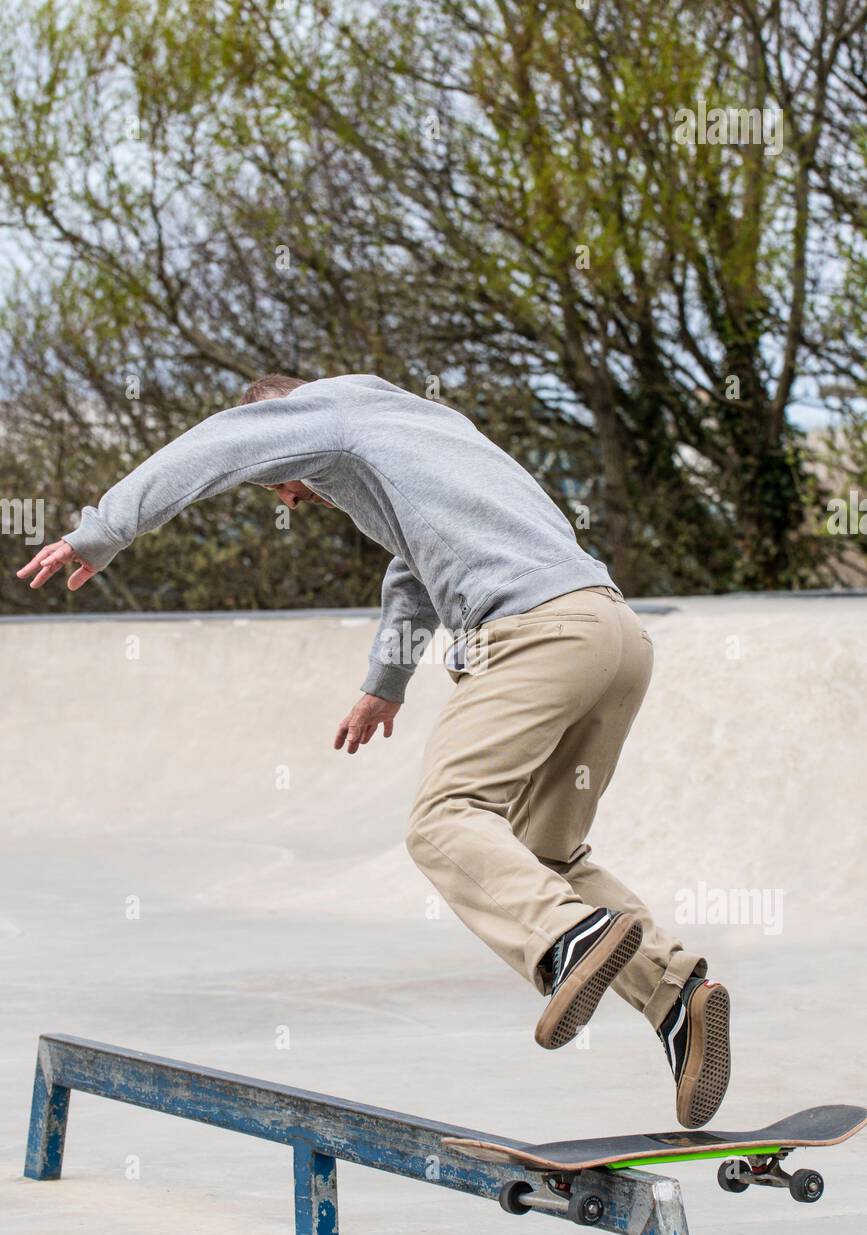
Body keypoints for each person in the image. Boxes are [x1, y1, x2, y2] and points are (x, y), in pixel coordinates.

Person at [17, 372, 730, 1126]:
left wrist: (99, 531)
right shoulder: (427, 430)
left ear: (285, 424)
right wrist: (387, 680)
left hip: (531, 636)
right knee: (539, 853)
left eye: (278, 481)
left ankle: (566, 936)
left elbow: (213, 448)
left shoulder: (331, 410)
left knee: (445, 821)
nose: (289, 499)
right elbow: (413, 568)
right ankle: (675, 993)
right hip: (614, 634)